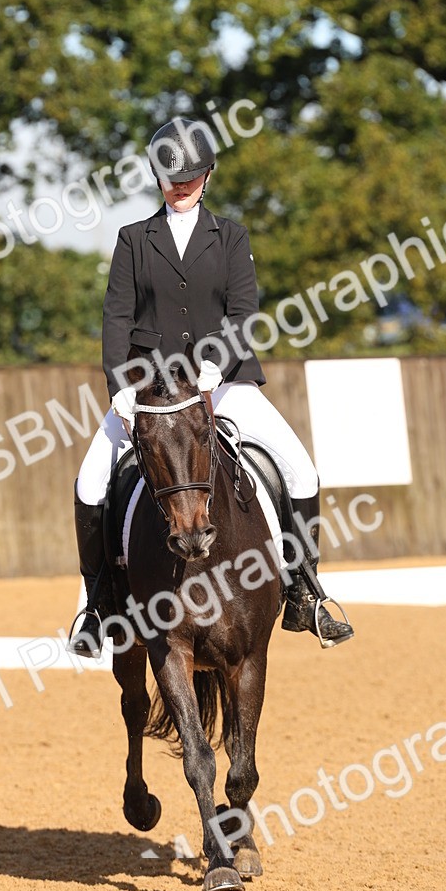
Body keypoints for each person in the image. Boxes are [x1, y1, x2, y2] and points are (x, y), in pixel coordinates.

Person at [70, 116, 354, 656]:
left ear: (208, 175)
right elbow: (116, 317)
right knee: (89, 483)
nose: (181, 186)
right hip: (151, 390)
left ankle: (303, 591)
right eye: (172, 177)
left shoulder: (230, 237)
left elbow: (244, 313)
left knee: (300, 469)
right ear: (156, 177)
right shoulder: (133, 239)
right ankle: (97, 603)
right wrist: (120, 386)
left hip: (223, 384)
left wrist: (214, 366)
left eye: (192, 177)